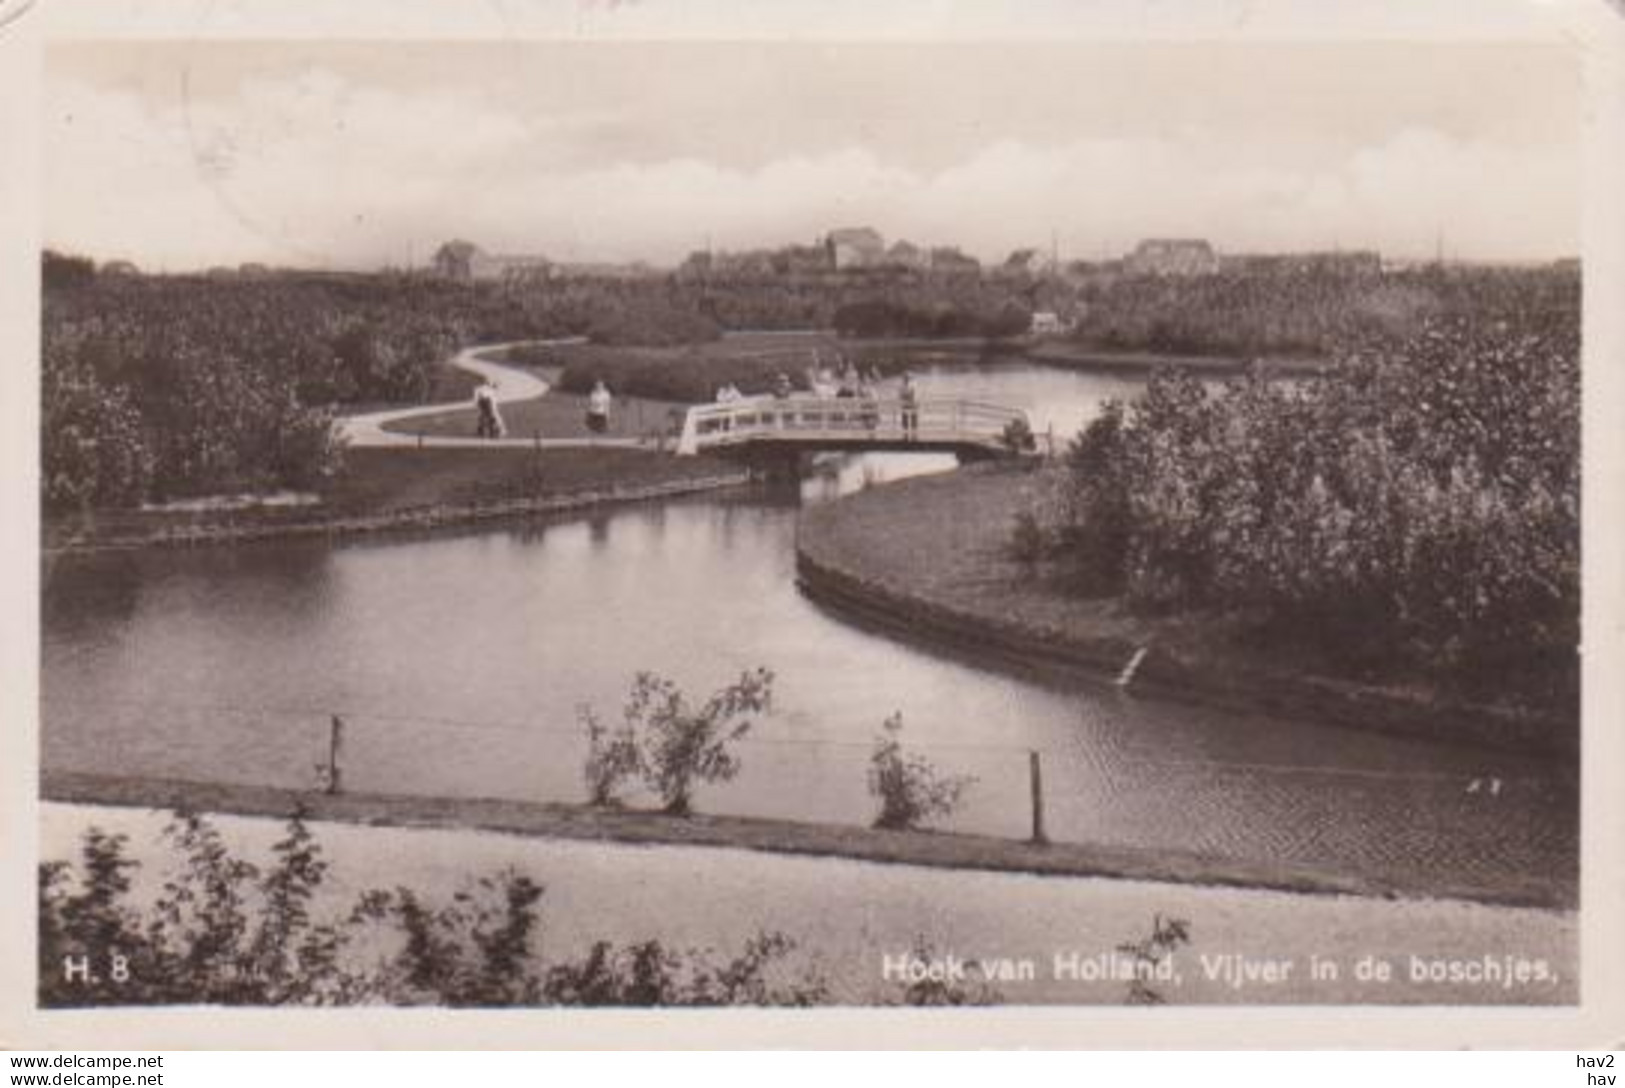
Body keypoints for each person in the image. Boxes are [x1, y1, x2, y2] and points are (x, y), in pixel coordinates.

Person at [899, 371, 919, 440]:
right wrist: (907, 395)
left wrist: (907, 395)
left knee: (914, 420)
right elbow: (901, 395)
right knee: (905, 421)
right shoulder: (902, 385)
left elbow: (912, 394)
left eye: (908, 378)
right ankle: (905, 436)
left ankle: (914, 435)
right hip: (905, 404)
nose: (906, 379)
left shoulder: (913, 384)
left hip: (913, 404)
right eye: (905, 378)